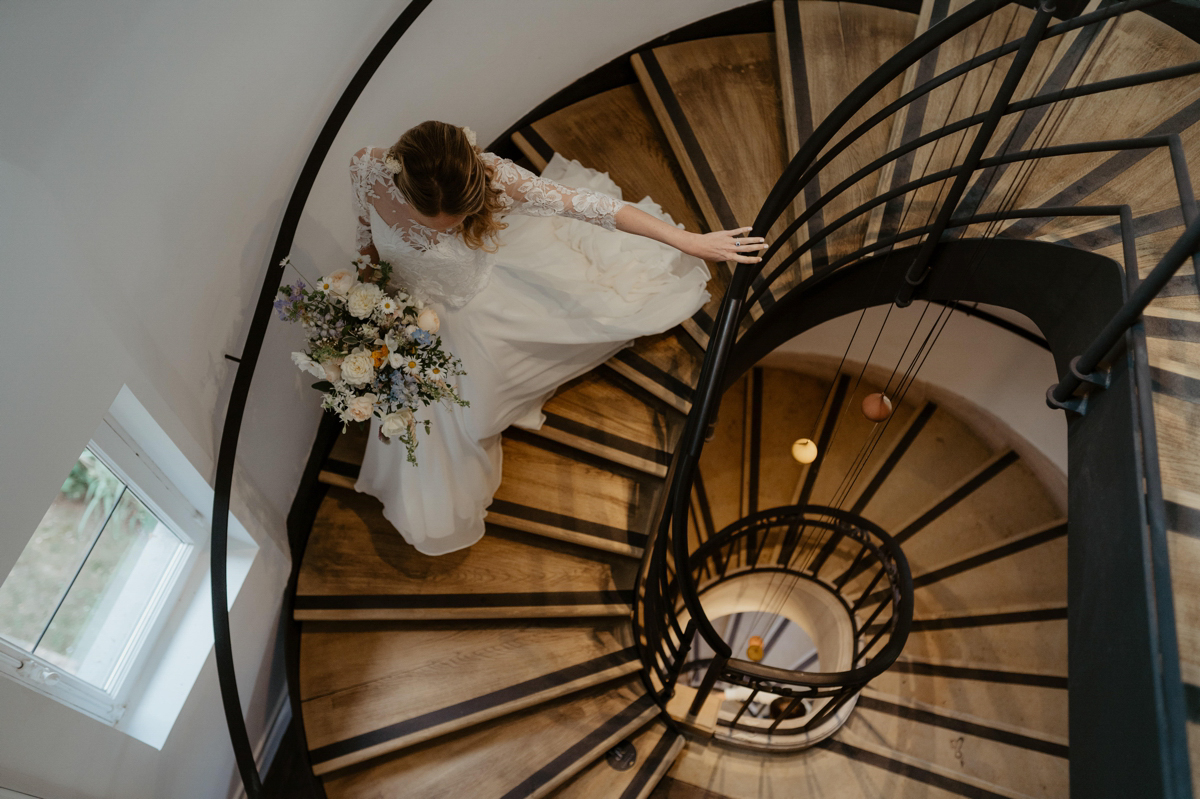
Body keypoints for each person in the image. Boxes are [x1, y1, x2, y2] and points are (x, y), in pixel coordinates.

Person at [351, 120, 767, 555]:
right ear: (404, 186)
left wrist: (686, 240)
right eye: (433, 223)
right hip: (405, 312)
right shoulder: (366, 167)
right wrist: (368, 305)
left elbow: (594, 207)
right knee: (417, 409)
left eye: (452, 223)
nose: (439, 232)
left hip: (473, 309)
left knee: (476, 420)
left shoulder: (496, 180)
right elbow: (366, 236)